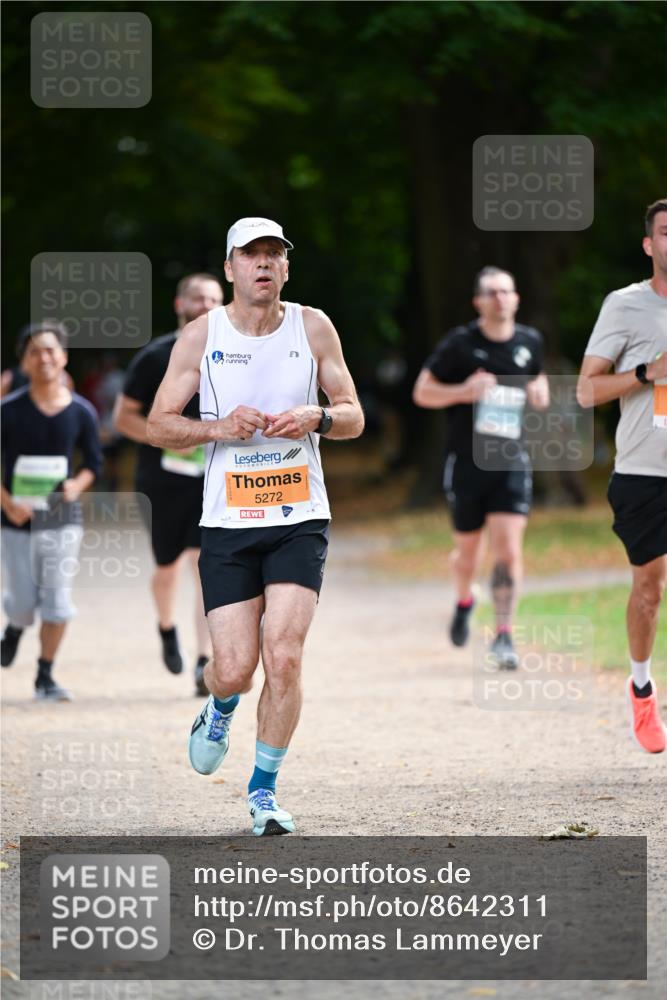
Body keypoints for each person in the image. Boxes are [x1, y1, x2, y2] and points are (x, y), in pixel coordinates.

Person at [146, 217, 364, 835]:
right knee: (236, 667)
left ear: (286, 269)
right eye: (251, 255)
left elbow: (353, 416)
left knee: (285, 656)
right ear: (230, 268)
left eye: (274, 255)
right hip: (227, 523)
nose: (263, 264)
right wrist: (217, 427)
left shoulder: (313, 326)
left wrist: (315, 416)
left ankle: (263, 790)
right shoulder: (200, 336)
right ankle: (220, 705)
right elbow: (159, 424)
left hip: (300, 518)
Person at [413, 266, 549, 668]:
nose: (500, 299)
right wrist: (463, 391)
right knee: (468, 555)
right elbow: (422, 392)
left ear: (517, 298)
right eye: (491, 293)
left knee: (508, 550)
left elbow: (537, 382)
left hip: (510, 462)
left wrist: (541, 392)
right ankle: (464, 598)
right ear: (478, 301)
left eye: (506, 292)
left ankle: (504, 635)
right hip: (467, 463)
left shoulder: (529, 341)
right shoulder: (460, 344)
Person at [577, 198, 667, 754]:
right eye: (666, 231)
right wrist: (646, 372)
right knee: (650, 588)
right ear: (649, 244)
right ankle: (640, 687)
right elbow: (587, 389)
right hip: (644, 471)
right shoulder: (625, 306)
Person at [114, 274, 224, 694]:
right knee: (166, 566)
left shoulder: (231, 354)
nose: (205, 305)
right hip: (160, 479)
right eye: (197, 298)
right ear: (180, 303)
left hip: (211, 477)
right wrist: (169, 439)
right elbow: (123, 418)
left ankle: (203, 660)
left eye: (214, 298)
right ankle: (165, 627)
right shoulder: (156, 356)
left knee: (203, 564)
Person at [0, 323, 102, 700]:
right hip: (15, 521)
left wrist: (76, 486)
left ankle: (45, 675)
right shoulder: (8, 410)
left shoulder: (81, 411)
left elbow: (93, 462)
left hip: (61, 519)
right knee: (24, 603)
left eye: (50, 350)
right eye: (34, 352)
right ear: (24, 362)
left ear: (63, 357)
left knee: (57, 602)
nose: (43, 358)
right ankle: (14, 627)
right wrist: (7, 503)